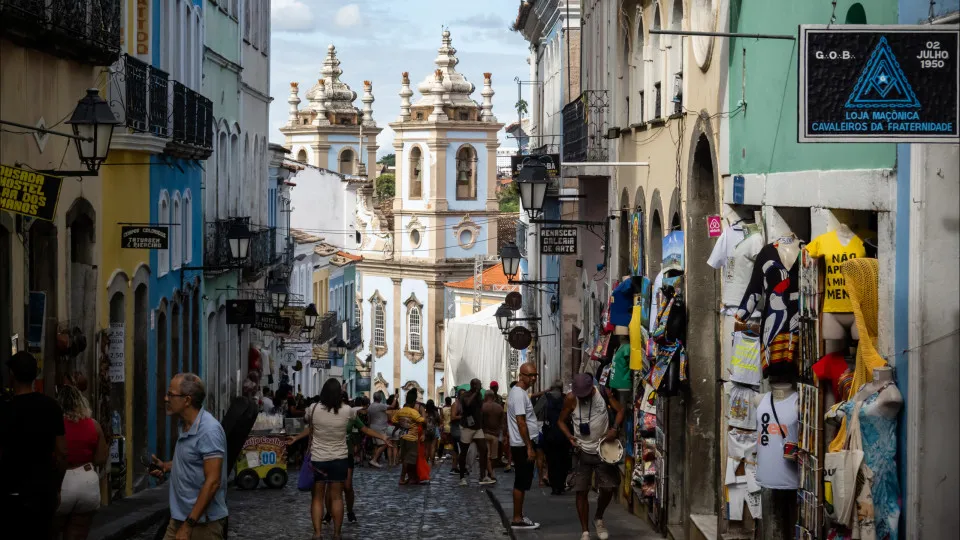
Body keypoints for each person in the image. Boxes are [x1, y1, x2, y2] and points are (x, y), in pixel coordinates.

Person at [286, 379, 390, 540]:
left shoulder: (313, 409)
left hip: (318, 459)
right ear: (339, 394)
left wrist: (295, 438)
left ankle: (317, 533)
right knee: (336, 497)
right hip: (339, 459)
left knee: (317, 498)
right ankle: (336, 534)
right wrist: (382, 436)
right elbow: (364, 429)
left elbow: (309, 426)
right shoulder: (348, 411)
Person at [150, 373, 228, 540]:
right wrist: (166, 466)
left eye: (171, 394)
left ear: (187, 400)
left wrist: (188, 525)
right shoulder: (185, 425)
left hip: (202, 524)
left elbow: (213, 482)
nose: (165, 398)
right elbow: (193, 461)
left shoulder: (208, 431)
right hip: (180, 518)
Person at [0, 351, 68, 539]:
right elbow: (62, 453)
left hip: (12, 493)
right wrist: (57, 486)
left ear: (12, 376)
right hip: (43, 493)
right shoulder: (52, 407)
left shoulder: (5, 410)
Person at [557, 373, 625, 540]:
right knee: (581, 491)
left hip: (603, 449)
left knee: (608, 488)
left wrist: (615, 428)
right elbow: (560, 421)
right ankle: (585, 531)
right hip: (581, 451)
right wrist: (569, 437)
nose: (583, 398)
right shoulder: (571, 399)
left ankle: (598, 517)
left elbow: (620, 410)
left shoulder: (603, 393)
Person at [55, 384, 109, 540]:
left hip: (62, 481)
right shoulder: (94, 425)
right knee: (78, 533)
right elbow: (100, 459)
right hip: (87, 481)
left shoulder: (57, 426)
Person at [507, 363, 541, 530]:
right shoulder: (519, 395)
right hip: (522, 445)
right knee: (521, 482)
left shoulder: (518, 393)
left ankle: (518, 516)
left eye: (535, 375)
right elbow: (521, 422)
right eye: (530, 375)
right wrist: (529, 446)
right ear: (521, 375)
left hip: (521, 443)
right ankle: (517, 518)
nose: (533, 378)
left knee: (522, 481)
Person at [540, 380, 571, 495]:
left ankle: (554, 486)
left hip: (550, 434)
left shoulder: (545, 397)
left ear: (551, 388)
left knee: (551, 460)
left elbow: (536, 412)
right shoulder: (566, 398)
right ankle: (561, 484)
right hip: (564, 433)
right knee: (563, 460)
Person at [457, 379, 489, 487]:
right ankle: (462, 477)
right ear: (473, 385)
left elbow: (480, 409)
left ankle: (483, 475)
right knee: (464, 452)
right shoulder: (465, 395)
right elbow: (467, 403)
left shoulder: (479, 395)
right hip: (467, 427)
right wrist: (475, 393)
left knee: (484, 449)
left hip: (477, 427)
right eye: (478, 385)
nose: (480, 386)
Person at [391, 389, 425, 485]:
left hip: (402, 437)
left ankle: (412, 478)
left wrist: (402, 423)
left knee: (407, 459)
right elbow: (422, 421)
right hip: (412, 438)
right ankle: (403, 478)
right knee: (409, 460)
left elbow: (393, 420)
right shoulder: (413, 412)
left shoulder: (401, 411)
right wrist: (423, 414)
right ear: (414, 402)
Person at [480, 391, 503, 485]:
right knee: (494, 456)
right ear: (494, 397)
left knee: (487, 455)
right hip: (495, 435)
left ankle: (491, 473)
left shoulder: (482, 407)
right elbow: (502, 423)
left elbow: (480, 421)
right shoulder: (499, 408)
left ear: (485, 397)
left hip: (485, 433)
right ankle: (491, 472)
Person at [366, 391, 390, 468]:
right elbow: (392, 406)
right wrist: (396, 397)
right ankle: (374, 460)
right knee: (385, 443)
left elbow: (368, 419)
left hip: (372, 426)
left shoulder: (370, 406)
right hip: (380, 427)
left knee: (376, 445)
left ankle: (374, 461)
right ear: (380, 398)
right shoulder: (380, 406)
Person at [448, 389, 465, 475]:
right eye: (463, 394)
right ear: (458, 395)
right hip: (456, 430)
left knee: (457, 450)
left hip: (460, 429)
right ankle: (456, 467)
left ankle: (456, 467)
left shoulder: (462, 404)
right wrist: (463, 417)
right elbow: (453, 417)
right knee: (459, 449)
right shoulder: (455, 404)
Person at [422, 400, 441, 467]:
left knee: (426, 448)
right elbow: (439, 422)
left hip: (426, 431)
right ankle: (432, 462)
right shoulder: (436, 413)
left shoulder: (424, 413)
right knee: (433, 447)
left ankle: (426, 462)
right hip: (434, 431)